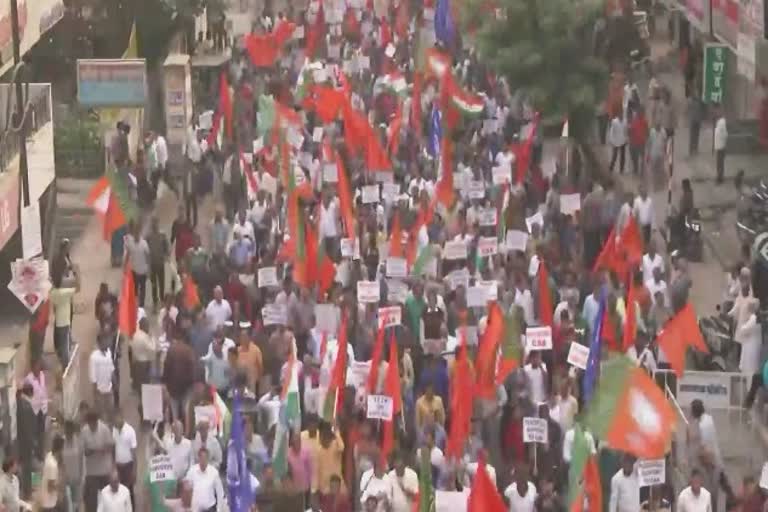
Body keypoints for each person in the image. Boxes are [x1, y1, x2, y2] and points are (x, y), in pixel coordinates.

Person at [82, 410, 114, 512]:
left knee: (108, 499)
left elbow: (110, 446)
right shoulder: (84, 431)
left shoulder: (104, 429)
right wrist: (90, 451)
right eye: (89, 424)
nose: (91, 426)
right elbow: (84, 450)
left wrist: (101, 450)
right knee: (91, 502)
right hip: (91, 472)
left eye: (93, 424)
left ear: (96, 421)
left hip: (105, 470)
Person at [50, 267, 80, 368]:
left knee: (62, 342)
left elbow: (54, 307)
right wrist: (77, 274)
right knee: (65, 346)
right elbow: (78, 288)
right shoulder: (64, 293)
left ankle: (63, 361)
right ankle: (66, 366)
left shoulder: (53, 293)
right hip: (65, 321)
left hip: (58, 321)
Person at [185, 448, 225, 512]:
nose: (203, 461)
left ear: (208, 459)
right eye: (201, 458)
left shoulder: (214, 472)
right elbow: (186, 489)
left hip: (210, 508)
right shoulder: (192, 471)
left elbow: (220, 492)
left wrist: (219, 509)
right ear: (198, 458)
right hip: (195, 509)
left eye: (205, 458)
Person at [112, 411, 137, 507]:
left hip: (128, 466)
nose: (115, 422)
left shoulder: (130, 431)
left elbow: (134, 452)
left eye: (116, 419)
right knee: (120, 492)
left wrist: (134, 470)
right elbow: (114, 448)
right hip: (118, 466)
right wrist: (113, 465)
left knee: (128, 491)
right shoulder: (114, 430)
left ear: (121, 417)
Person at [124, 222, 151, 307]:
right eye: (134, 232)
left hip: (143, 271)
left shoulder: (144, 244)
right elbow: (128, 255)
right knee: (134, 289)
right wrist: (125, 266)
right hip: (134, 271)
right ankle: (135, 303)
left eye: (137, 232)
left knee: (142, 289)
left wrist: (149, 269)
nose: (136, 234)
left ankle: (141, 305)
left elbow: (148, 257)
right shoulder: (130, 243)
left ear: (139, 233)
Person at [90, 333, 116, 418]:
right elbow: (92, 376)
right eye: (104, 341)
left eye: (107, 340)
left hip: (109, 389)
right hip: (100, 391)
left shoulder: (109, 352)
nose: (107, 342)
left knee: (110, 412)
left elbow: (111, 368)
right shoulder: (94, 357)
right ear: (99, 343)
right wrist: (96, 392)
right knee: (101, 414)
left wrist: (114, 382)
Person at [146, 217, 170, 308]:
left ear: (158, 224)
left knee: (161, 283)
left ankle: (162, 300)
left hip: (160, 263)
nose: (154, 225)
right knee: (154, 284)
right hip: (152, 264)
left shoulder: (162, 235)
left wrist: (166, 255)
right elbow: (145, 249)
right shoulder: (148, 236)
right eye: (153, 223)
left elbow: (167, 247)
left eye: (156, 223)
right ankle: (155, 301)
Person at [40, 434, 63, 512]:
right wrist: (59, 491)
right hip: (49, 504)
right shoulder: (52, 465)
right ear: (61, 449)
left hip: (45, 500)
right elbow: (50, 487)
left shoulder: (49, 455)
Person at [714, 106, 728, 184]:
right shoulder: (719, 122)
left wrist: (723, 142)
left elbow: (725, 134)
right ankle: (719, 177)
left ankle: (720, 178)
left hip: (721, 146)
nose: (716, 113)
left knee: (720, 163)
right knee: (719, 163)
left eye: (717, 111)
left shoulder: (722, 122)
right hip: (719, 145)